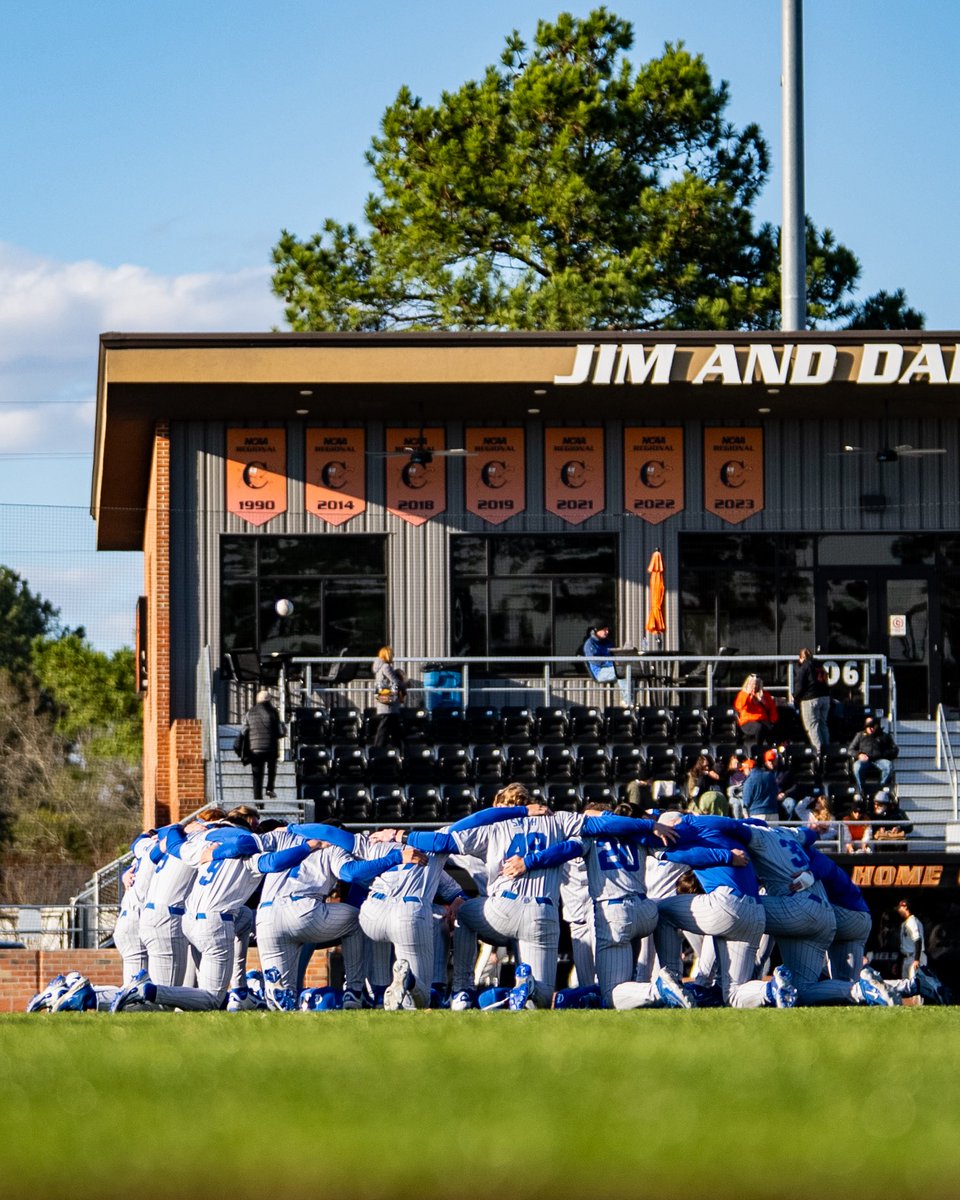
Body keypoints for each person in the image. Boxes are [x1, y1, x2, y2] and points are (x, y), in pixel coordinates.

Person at [242, 688, 283, 800]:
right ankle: (269, 788)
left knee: (257, 776)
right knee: (271, 769)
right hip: (271, 747)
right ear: (269, 699)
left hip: (255, 749)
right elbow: (279, 731)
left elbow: (244, 730)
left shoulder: (250, 712)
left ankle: (258, 802)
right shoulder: (273, 712)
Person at [791, 648, 831, 755]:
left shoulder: (805, 666)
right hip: (825, 697)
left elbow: (799, 684)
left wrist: (795, 696)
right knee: (823, 724)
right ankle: (828, 750)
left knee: (812, 726)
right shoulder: (820, 665)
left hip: (810, 698)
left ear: (801, 658)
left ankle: (819, 752)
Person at [583, 622, 632, 707]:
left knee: (627, 672)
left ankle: (628, 701)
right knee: (621, 672)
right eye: (604, 630)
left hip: (611, 668)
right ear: (597, 630)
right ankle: (628, 701)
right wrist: (612, 663)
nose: (607, 632)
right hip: (599, 672)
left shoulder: (607, 642)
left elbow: (613, 654)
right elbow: (595, 661)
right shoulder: (590, 644)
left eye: (607, 630)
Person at [847, 715, 899, 795]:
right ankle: (862, 790)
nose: (870, 728)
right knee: (857, 767)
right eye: (868, 726)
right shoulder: (860, 735)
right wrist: (859, 755)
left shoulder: (884, 736)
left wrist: (883, 754)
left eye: (872, 726)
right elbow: (850, 750)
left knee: (889, 766)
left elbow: (895, 750)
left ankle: (880, 789)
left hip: (879, 759)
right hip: (865, 760)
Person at [372, 646, 406, 748]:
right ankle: (378, 747)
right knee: (385, 725)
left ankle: (399, 746)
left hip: (383, 698)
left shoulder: (379, 668)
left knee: (393, 726)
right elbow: (395, 681)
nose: (393, 656)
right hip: (389, 702)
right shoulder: (386, 667)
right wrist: (401, 687)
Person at [733, 674, 778, 747]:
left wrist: (772, 720)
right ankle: (758, 747)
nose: (754, 686)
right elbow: (739, 706)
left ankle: (773, 748)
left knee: (771, 728)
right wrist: (747, 694)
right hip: (747, 722)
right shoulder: (742, 694)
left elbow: (772, 709)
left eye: (756, 684)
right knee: (759, 727)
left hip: (763, 720)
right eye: (752, 684)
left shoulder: (765, 695)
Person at [897, 898, 927, 979]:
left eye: (900, 908)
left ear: (906, 907)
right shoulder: (905, 923)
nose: (899, 910)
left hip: (915, 957)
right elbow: (903, 945)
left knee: (915, 985)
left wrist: (916, 960)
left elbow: (918, 940)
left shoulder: (913, 921)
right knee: (905, 985)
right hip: (907, 958)